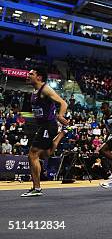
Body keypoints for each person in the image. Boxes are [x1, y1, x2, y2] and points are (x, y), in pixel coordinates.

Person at [21, 67, 69, 197]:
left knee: (33, 153)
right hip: (43, 125)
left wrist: (60, 116)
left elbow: (63, 103)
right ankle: (62, 134)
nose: (28, 75)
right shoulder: (35, 91)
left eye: (31, 74)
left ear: (39, 77)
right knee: (45, 154)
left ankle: (36, 188)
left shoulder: (45, 89)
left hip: (49, 125)